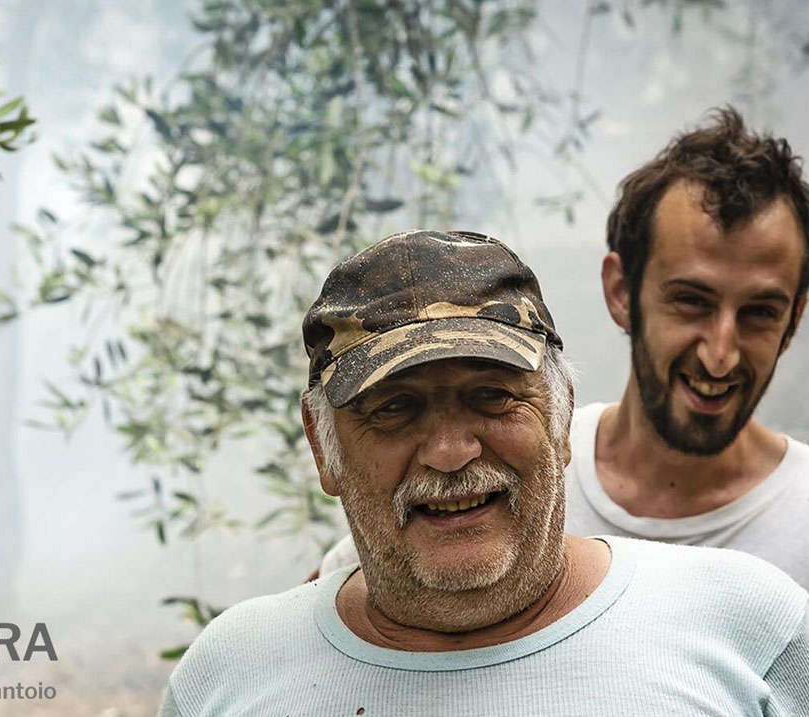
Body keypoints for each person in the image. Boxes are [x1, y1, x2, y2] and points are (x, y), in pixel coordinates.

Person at [160, 230, 809, 716]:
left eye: (492, 396)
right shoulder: (227, 673)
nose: (449, 451)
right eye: (395, 408)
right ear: (322, 446)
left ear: (562, 419)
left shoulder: (750, 626)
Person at [317, 107, 809, 588]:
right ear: (621, 291)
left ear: (795, 317)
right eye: (690, 301)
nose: (720, 354)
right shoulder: (519, 462)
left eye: (760, 312)